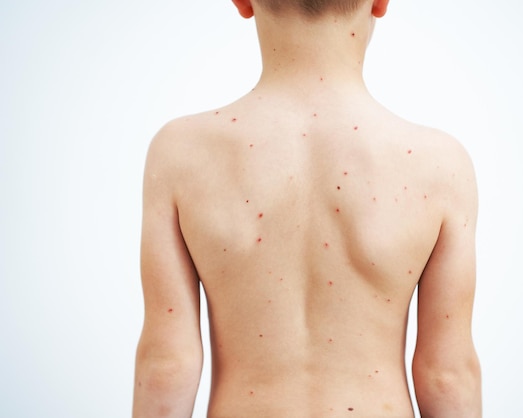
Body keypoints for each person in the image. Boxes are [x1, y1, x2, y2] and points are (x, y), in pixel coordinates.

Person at [132, 0, 482, 416]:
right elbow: (447, 374)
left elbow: (166, 366)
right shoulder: (438, 165)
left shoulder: (183, 153)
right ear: (381, 2)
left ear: (242, 2)